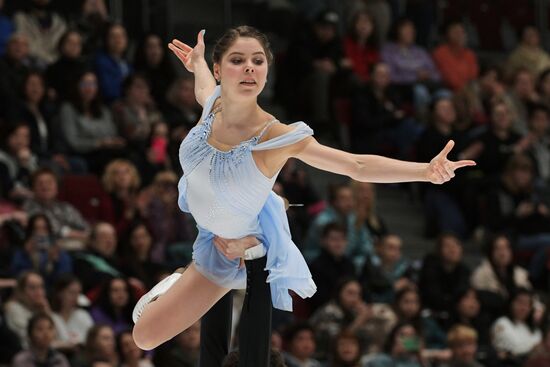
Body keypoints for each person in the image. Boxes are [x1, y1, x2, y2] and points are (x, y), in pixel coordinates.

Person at [131, 26, 475, 366]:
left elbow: (355, 165)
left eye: (258, 61)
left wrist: (424, 172)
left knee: (145, 337)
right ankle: (183, 273)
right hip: (210, 225)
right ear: (221, 69)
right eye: (238, 60)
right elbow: (204, 89)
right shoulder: (215, 103)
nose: (250, 67)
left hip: (235, 242)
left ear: (267, 70)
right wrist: (198, 65)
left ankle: (259, 241)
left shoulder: (277, 136)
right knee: (143, 335)